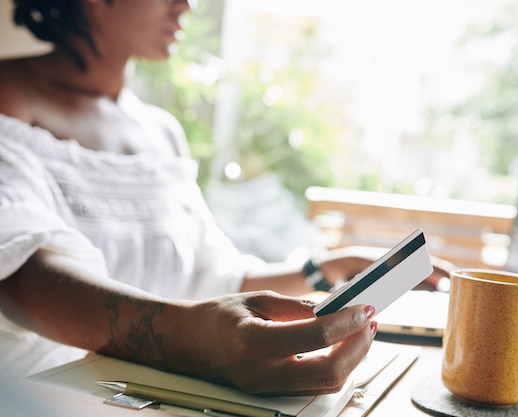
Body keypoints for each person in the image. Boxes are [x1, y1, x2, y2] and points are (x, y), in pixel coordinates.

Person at [0, 0, 382, 396]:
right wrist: (188, 340)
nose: (187, 5)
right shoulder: (8, 97)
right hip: (37, 397)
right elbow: (18, 269)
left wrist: (326, 269)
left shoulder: (163, 132)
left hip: (156, 397)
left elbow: (213, 277)